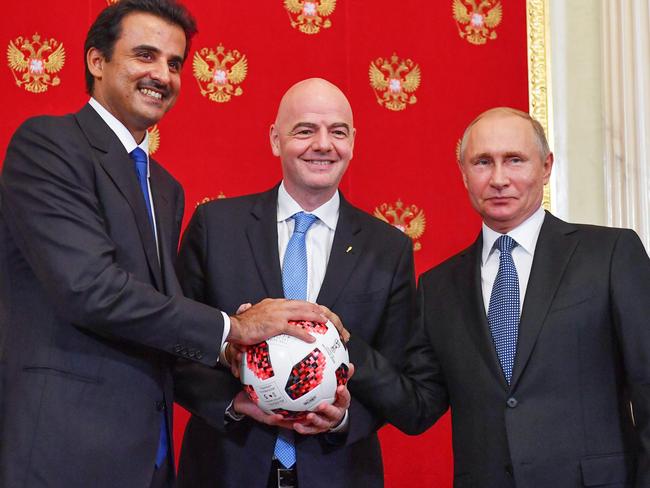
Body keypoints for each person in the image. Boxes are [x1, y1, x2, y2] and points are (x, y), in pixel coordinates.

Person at [0, 2, 325, 487]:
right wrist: (233, 327)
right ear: (96, 61)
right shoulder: (49, 145)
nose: (163, 75)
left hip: (150, 460)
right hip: (65, 452)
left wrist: (231, 389)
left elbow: (157, 314)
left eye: (174, 63)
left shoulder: (165, 187)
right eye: (145, 56)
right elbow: (91, 289)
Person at [348, 107, 650, 487]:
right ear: (463, 175)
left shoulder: (609, 255)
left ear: (545, 166)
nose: (498, 179)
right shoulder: (438, 287)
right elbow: (418, 407)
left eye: (514, 160)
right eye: (482, 162)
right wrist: (346, 347)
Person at [173, 78, 416, 488]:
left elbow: (402, 377)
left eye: (337, 132)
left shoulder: (388, 248)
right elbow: (173, 343)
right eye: (305, 130)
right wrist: (232, 402)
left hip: (339, 472)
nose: (323, 144)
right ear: (275, 139)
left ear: (353, 142)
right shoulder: (216, 228)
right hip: (226, 468)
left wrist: (344, 419)